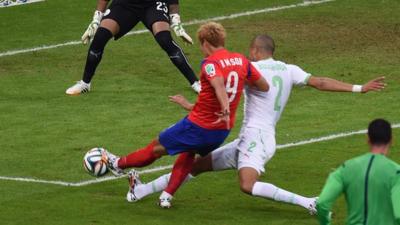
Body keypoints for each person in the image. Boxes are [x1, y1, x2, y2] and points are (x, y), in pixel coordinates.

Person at [125, 34, 387, 214]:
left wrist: (190, 106)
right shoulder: (289, 69)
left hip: (256, 138)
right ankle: (142, 190)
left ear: (255, 51)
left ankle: (310, 202)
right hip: (257, 137)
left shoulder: (249, 68)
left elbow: (221, 92)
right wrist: (358, 88)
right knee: (196, 166)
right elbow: (320, 82)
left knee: (246, 185)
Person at [99, 22, 269, 208]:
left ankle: (117, 164)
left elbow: (218, 83)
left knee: (155, 148)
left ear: (205, 42)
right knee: (189, 152)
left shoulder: (210, 63)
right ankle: (166, 196)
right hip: (221, 131)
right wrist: (192, 105)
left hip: (198, 127)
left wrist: (225, 104)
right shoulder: (241, 60)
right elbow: (264, 86)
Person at [66, 0, 201, 95]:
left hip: (153, 3)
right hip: (126, 4)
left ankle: (195, 83)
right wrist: (96, 19)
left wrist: (175, 21)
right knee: (100, 37)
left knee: (164, 39)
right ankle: (85, 84)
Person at [317, 119, 400, 225]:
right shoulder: (396, 172)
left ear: (368, 139)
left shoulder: (346, 168)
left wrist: (325, 223)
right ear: (391, 140)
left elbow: (322, 203)